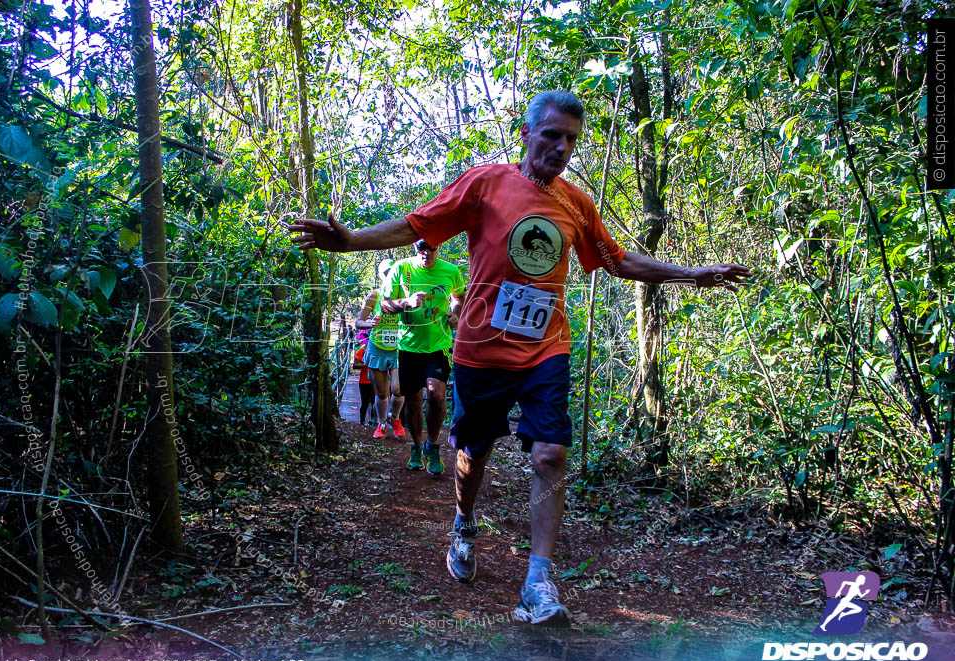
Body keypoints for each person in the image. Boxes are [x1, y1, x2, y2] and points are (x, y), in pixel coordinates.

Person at [290, 90, 751, 626]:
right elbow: (418, 225)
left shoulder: (577, 204)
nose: (561, 147)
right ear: (526, 133)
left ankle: (537, 581)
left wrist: (692, 274)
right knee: (474, 452)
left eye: (572, 140)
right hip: (482, 350)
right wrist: (350, 242)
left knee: (551, 455)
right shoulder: (485, 184)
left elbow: (618, 262)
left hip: (545, 348)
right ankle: (463, 521)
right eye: (552, 134)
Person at [379, 239, 465, 475]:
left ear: (440, 247)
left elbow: (459, 297)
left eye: (432, 247)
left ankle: (433, 445)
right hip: (409, 346)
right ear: (414, 248)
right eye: (421, 248)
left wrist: (455, 315)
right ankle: (416, 446)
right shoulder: (401, 269)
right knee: (414, 400)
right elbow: (385, 305)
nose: (427, 252)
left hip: (439, 345)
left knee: (437, 394)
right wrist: (406, 302)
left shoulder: (451, 271)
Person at [354, 259, 405, 439]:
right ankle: (381, 424)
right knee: (382, 392)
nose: (389, 275)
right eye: (386, 273)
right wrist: (370, 323)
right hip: (378, 348)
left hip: (399, 347)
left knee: (398, 389)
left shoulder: (405, 295)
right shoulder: (374, 295)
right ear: (380, 275)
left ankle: (396, 418)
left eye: (392, 272)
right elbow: (358, 322)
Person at [352, 329, 375, 425]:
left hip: (375, 380)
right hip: (364, 380)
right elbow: (354, 365)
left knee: (375, 401)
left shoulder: (377, 351)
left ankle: (373, 421)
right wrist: (365, 365)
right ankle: (361, 422)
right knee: (365, 402)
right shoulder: (361, 350)